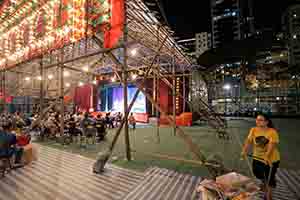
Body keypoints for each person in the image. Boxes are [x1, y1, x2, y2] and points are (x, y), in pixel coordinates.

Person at [242, 113, 280, 200]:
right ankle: (265, 181)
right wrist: (244, 151)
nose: (257, 121)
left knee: (269, 179)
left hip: (271, 159)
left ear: (266, 122)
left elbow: (272, 145)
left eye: (260, 120)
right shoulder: (253, 130)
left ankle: (268, 196)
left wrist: (267, 157)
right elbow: (248, 141)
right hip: (257, 157)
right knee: (256, 173)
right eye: (257, 119)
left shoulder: (272, 132)